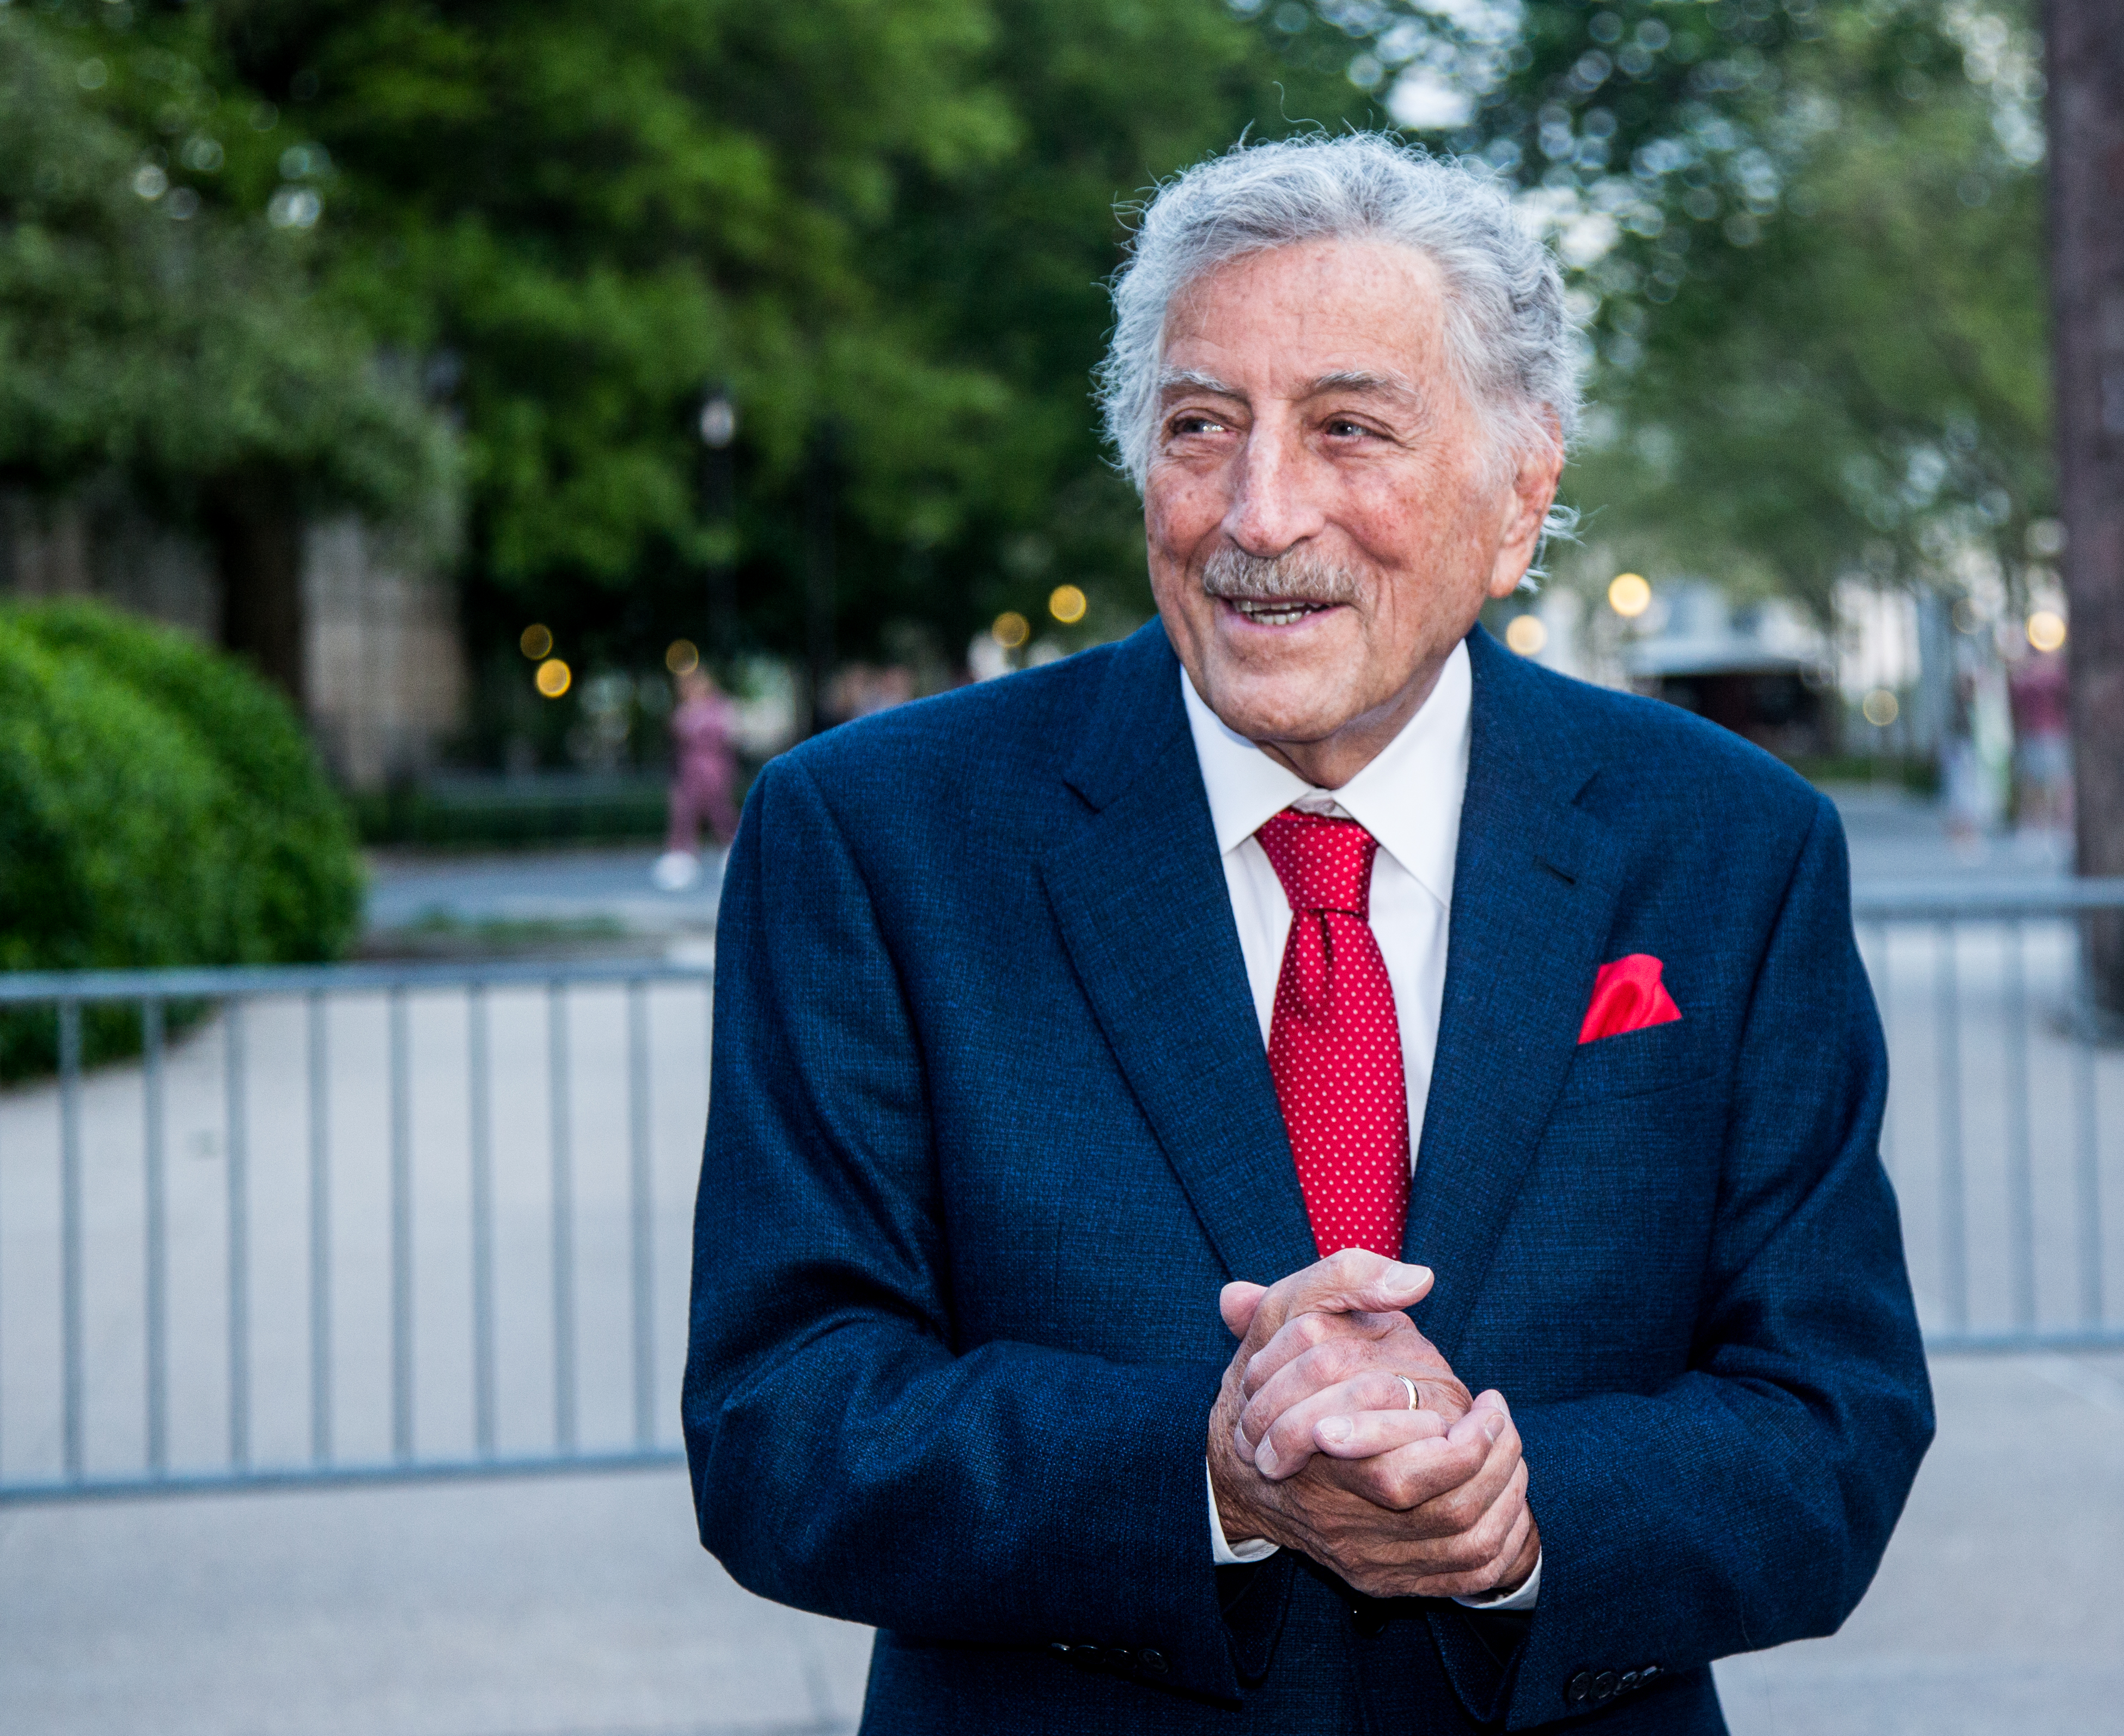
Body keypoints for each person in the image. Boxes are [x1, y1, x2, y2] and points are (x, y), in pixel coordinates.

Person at [682, 136, 1931, 1734]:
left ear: (1517, 493)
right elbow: (781, 1417)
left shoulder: (1729, 849)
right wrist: (1206, 1471)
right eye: (1203, 427)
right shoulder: (875, 838)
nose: (1259, 513)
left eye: (1349, 429)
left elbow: (1833, 1420)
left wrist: (1518, 1508)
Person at [654, 666, 740, 890]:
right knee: (684, 815)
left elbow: (723, 733)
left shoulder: (718, 707)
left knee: (721, 814)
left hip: (713, 769)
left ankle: (739, 850)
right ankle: (681, 857)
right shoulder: (686, 709)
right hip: (689, 771)